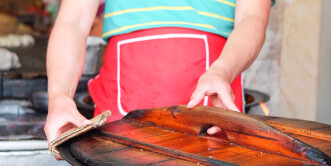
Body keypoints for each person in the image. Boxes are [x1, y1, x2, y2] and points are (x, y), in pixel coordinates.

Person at [44, 0, 273, 145]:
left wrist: (222, 70)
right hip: (118, 125)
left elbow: (252, 19)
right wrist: (59, 97)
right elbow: (72, 23)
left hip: (214, 107)